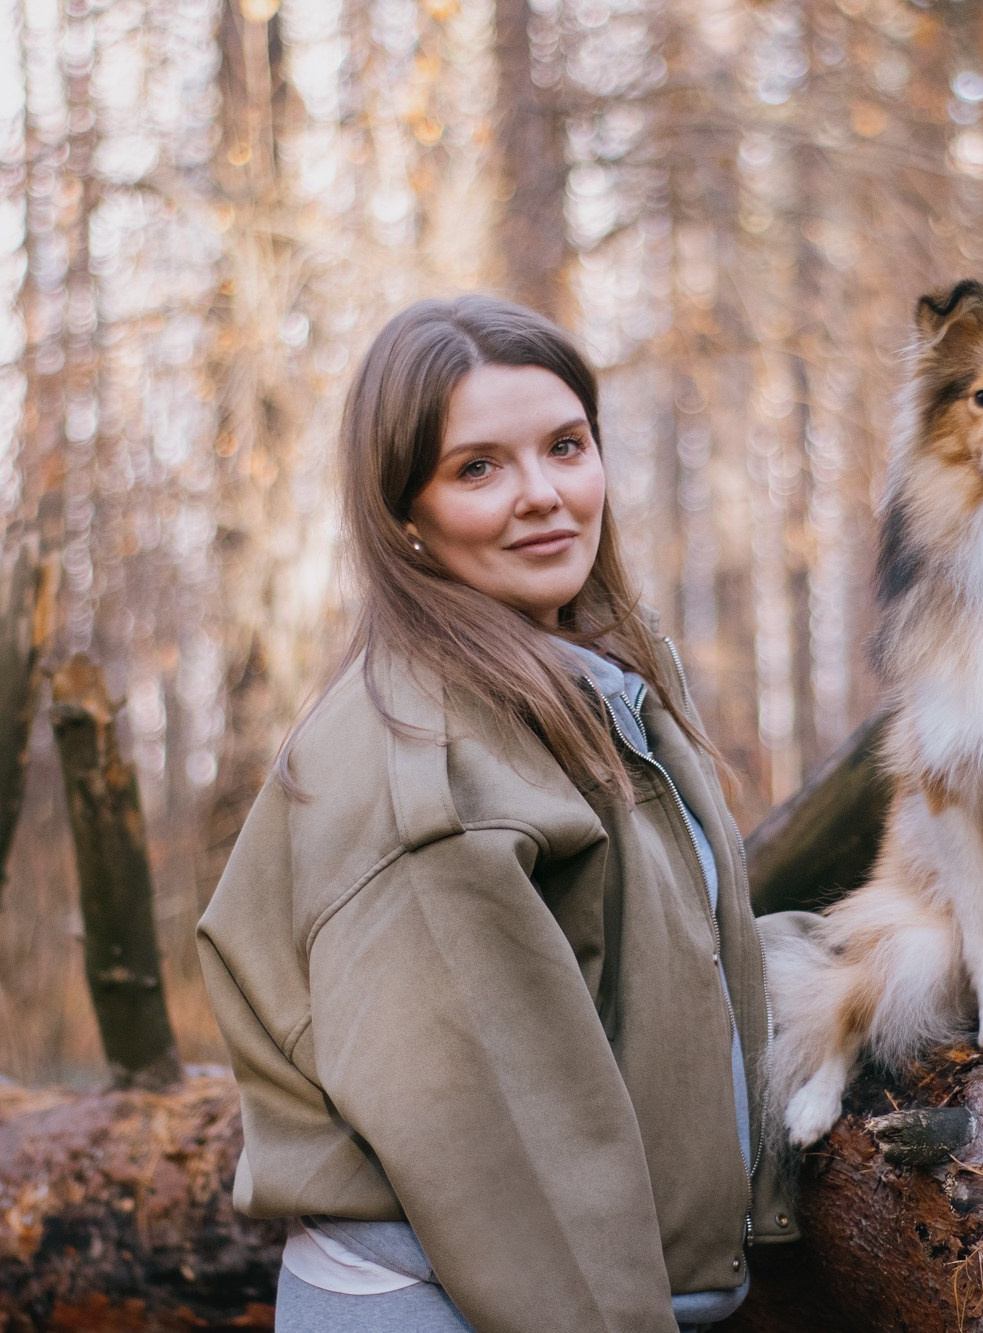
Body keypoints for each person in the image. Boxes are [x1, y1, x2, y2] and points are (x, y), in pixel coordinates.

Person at [196, 295, 797, 1333]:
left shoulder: (590, 679)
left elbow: (661, 958)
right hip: (468, 1303)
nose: (543, 496)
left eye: (564, 447)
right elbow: (510, 1143)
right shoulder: (430, 777)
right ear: (403, 514)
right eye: (477, 468)